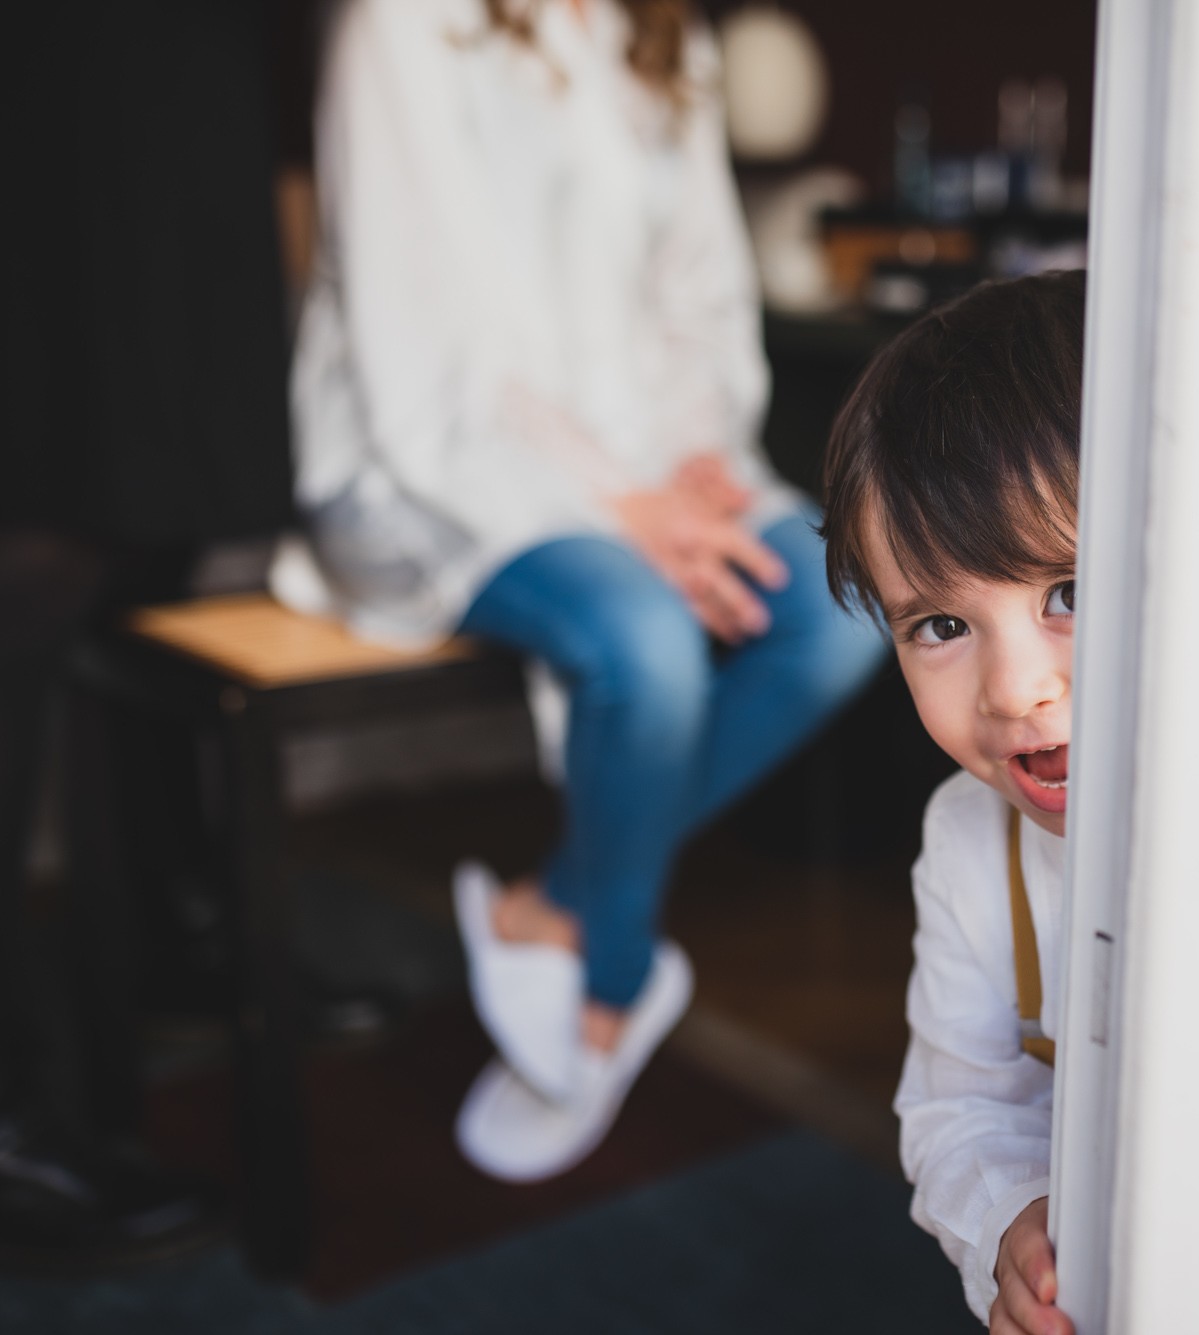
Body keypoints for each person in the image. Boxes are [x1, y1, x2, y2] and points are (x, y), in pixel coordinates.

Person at [281, 0, 884, 1181]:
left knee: (845, 596)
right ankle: (612, 991)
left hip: (646, 460)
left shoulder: (669, 40)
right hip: (427, 460)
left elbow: (699, 298)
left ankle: (554, 904)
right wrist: (623, 505)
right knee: (644, 642)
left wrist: (699, 456)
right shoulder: (403, 26)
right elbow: (428, 341)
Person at [818, 271, 1199, 1331]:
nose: (1014, 691)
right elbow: (960, 1108)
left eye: (1068, 592)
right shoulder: (974, 844)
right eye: (938, 626)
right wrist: (1009, 1217)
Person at [0, 0, 293, 1268]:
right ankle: (12, 1117)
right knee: (36, 544)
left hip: (182, 77)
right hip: (62, 79)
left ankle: (172, 941)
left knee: (144, 542)